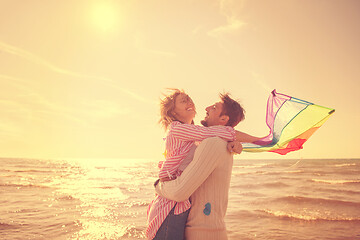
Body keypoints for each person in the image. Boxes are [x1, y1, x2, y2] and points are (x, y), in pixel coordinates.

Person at [146, 89, 259, 240]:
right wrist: (260, 140)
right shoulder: (177, 129)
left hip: (178, 206)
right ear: (173, 112)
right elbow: (219, 132)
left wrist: (235, 144)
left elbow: (218, 135)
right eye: (183, 101)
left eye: (189, 99)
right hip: (168, 207)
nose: (190, 102)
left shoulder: (198, 139)